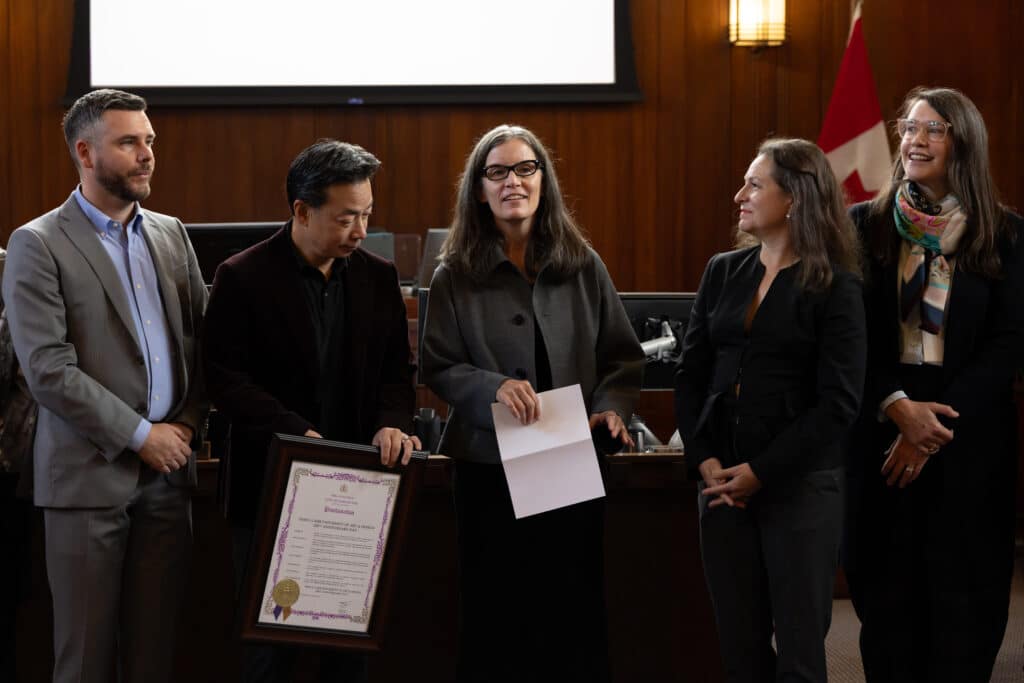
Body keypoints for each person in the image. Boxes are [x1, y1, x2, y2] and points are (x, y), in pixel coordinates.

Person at [419, 123, 644, 683]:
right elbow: (438, 366)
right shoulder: (453, 275)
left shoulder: (582, 263)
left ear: (544, 181)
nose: (512, 181)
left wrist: (612, 406)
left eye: (525, 169)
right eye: (497, 172)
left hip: (568, 455)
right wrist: (491, 386)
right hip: (486, 467)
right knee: (497, 615)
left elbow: (622, 357)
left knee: (571, 611)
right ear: (479, 189)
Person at [1, 88, 208, 683]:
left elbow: (199, 344)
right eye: (129, 143)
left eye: (149, 141)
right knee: (86, 661)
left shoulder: (170, 234)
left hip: (168, 478)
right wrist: (142, 435)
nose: (146, 154)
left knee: (154, 660)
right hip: (87, 478)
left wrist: (186, 426)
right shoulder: (36, 243)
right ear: (85, 153)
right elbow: (47, 369)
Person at [201, 139, 419, 682]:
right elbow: (224, 380)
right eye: (347, 217)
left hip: (358, 489)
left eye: (367, 214)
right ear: (301, 210)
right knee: (270, 653)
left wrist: (393, 422)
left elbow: (398, 371)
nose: (361, 231)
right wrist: (298, 433)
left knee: (348, 654)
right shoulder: (242, 276)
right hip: (270, 490)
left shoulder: (377, 276)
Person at [844, 87, 1024, 682]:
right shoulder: (862, 226)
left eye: (933, 129)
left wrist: (929, 428)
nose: (914, 140)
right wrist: (897, 408)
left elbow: (1007, 348)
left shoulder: (1007, 234)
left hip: (968, 443)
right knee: (887, 604)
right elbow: (851, 339)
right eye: (909, 127)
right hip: (881, 438)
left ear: (963, 142)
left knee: (965, 609)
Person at [674, 138, 865, 682]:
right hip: (720, 481)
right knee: (740, 644)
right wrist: (705, 459)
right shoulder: (722, 271)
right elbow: (690, 375)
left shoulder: (838, 285)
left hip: (799, 485)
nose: (740, 195)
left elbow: (839, 405)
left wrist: (760, 473)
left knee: (801, 650)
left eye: (755, 185)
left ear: (797, 198)